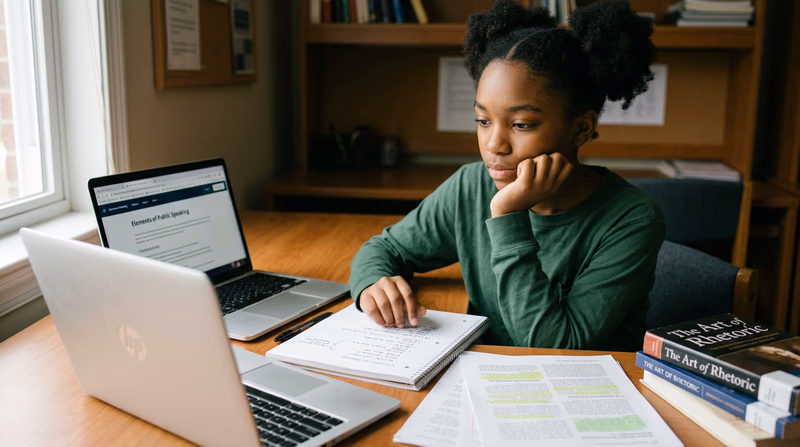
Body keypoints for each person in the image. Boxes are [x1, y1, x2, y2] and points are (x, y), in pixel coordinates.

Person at [348, 0, 664, 351]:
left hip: (582, 390)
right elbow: (385, 247)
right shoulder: (471, 185)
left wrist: (509, 216)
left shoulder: (631, 219)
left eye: (521, 124)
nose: (494, 144)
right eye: (483, 121)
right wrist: (373, 284)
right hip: (488, 377)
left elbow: (554, 346)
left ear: (581, 128)